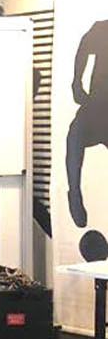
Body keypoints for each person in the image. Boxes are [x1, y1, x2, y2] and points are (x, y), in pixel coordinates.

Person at [66, 19, 108, 227]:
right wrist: (76, 82)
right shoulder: (103, 28)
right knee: (75, 134)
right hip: (98, 105)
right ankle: (74, 192)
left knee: (76, 133)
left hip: (100, 107)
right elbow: (84, 46)